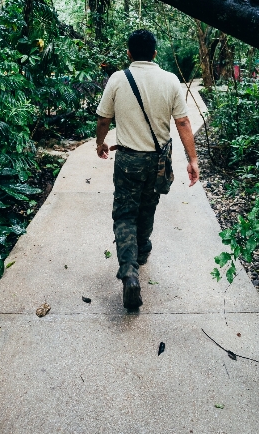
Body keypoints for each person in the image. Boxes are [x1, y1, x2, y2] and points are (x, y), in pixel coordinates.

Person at [95, 29, 199, 310]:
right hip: (158, 161)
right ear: (155, 53)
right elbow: (183, 123)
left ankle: (129, 271)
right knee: (148, 205)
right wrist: (193, 159)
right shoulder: (170, 80)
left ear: (129, 52)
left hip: (128, 160)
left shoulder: (117, 79)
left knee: (124, 213)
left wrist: (100, 143)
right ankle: (142, 248)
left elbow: (104, 118)